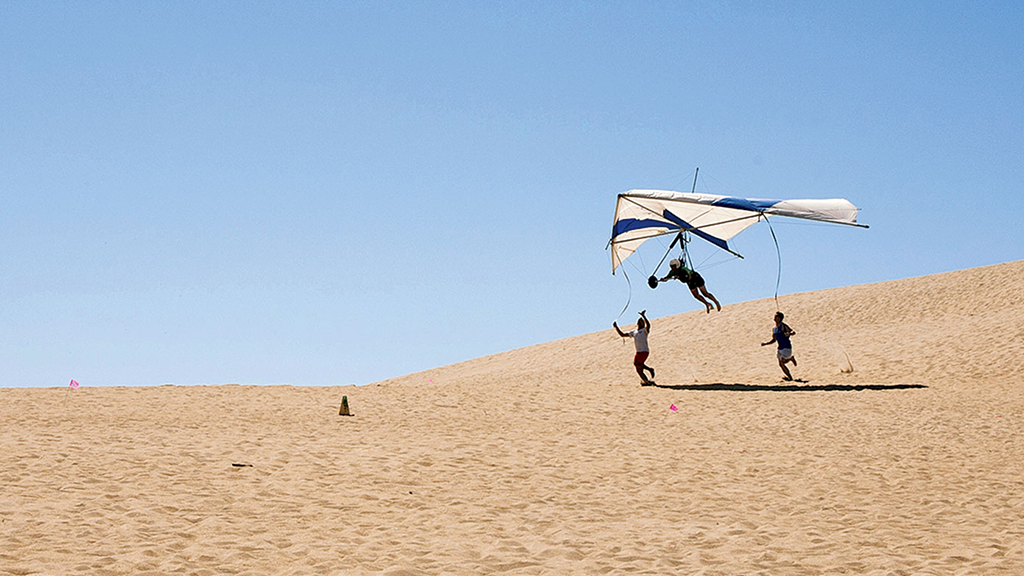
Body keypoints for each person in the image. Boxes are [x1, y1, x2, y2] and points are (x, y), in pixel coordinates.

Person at [613, 310, 655, 385]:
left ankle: (650, 369)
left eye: (642, 322)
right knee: (639, 370)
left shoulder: (644, 330)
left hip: (644, 351)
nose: (640, 323)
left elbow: (648, 325)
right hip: (638, 352)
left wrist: (644, 316)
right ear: (637, 323)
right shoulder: (634, 332)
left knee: (636, 363)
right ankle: (646, 381)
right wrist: (616, 327)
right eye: (639, 322)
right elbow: (622, 335)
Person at [761, 311, 798, 380]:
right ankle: (789, 377)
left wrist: (789, 333)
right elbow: (774, 340)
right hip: (780, 348)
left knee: (783, 361)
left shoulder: (783, 326)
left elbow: (792, 332)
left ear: (780, 318)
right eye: (774, 317)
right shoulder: (774, 329)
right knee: (781, 364)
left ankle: (791, 358)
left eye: (776, 317)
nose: (775, 318)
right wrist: (766, 343)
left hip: (786, 347)